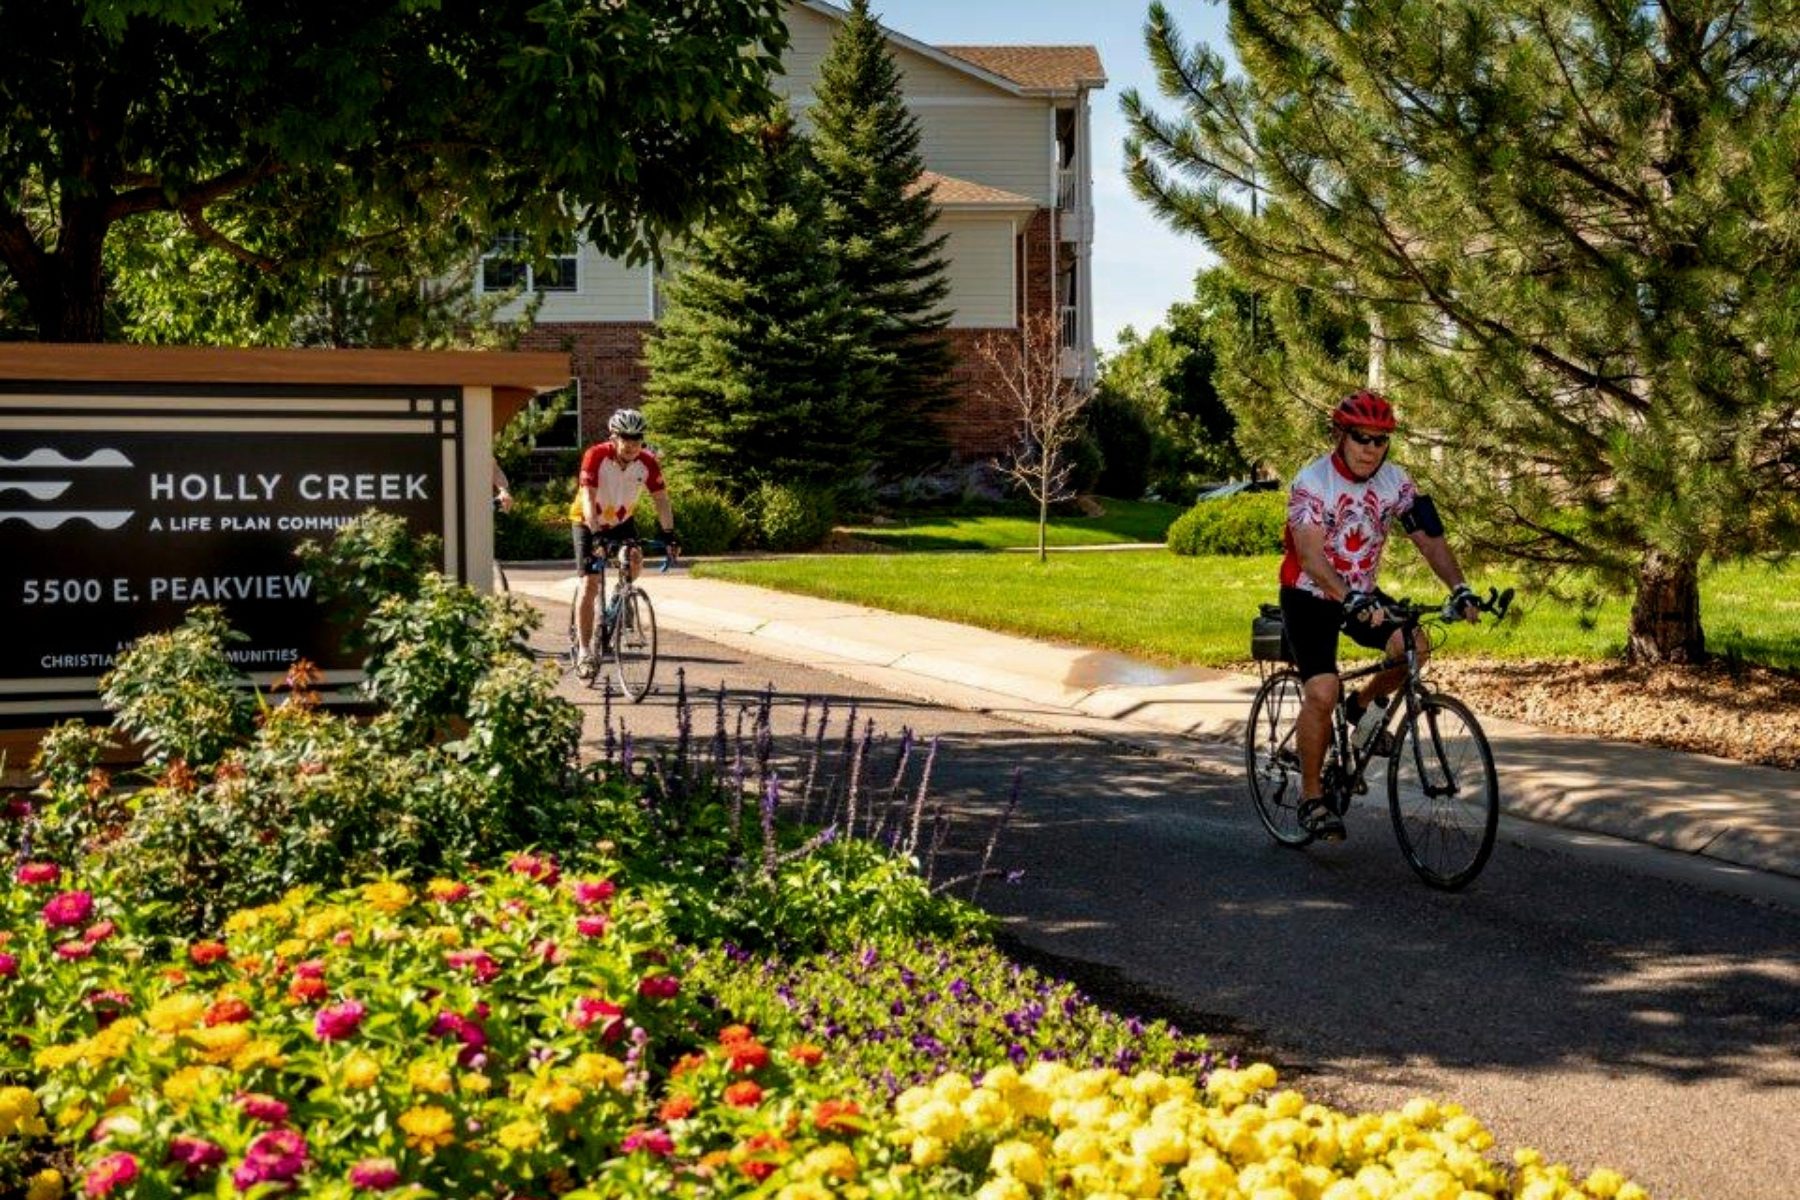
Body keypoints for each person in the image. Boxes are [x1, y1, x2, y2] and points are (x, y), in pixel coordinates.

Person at [1279, 390, 1480, 842]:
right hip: (1310, 595)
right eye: (1361, 437)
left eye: (1380, 440)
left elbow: (1429, 538)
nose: (1371, 448)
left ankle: (1362, 707)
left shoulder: (1396, 483)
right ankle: (1312, 799)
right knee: (1322, 688)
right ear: (1339, 434)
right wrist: (1348, 598)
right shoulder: (1312, 483)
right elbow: (1310, 557)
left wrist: (1460, 588)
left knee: (1414, 646)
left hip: (1362, 594)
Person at [567, 407, 678, 678]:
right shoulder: (596, 456)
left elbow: (661, 500)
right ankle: (584, 651)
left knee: (635, 558)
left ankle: (621, 593)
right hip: (587, 519)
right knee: (589, 583)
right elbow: (588, 497)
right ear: (613, 437)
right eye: (625, 438)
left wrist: (669, 534)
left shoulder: (648, 462)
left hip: (621, 520)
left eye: (636, 438)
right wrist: (595, 535)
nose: (631, 444)